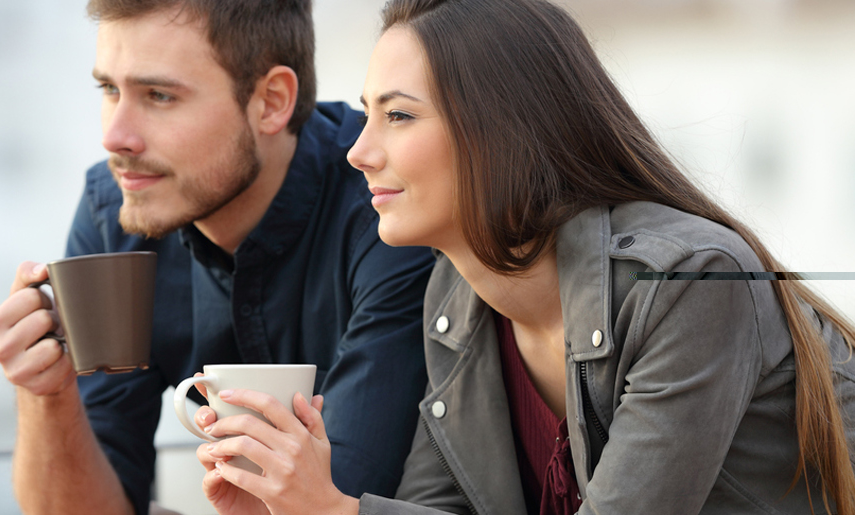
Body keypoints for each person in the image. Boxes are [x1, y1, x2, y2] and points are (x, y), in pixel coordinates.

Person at [192, 0, 855, 514]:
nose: (358, 152)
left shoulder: (687, 283)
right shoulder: (455, 298)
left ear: (498, 132)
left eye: (398, 117)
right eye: (366, 116)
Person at [0, 1, 436, 514]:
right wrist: (47, 393)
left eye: (159, 95)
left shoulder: (386, 205)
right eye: (110, 90)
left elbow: (339, 496)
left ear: (271, 101)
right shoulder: (115, 214)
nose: (114, 137)